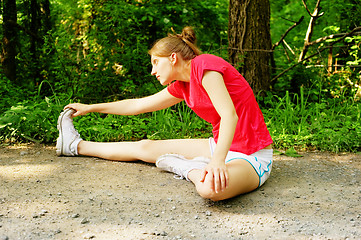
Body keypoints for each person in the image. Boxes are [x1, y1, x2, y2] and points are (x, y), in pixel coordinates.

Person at [56, 26, 273, 201]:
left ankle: (186, 167)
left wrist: (217, 162)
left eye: (155, 62)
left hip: (251, 156)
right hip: (220, 147)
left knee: (209, 189)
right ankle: (74, 146)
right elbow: (138, 105)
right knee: (144, 147)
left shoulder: (204, 65)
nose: (152, 71)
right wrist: (91, 107)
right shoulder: (183, 86)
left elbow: (229, 115)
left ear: (173, 58)